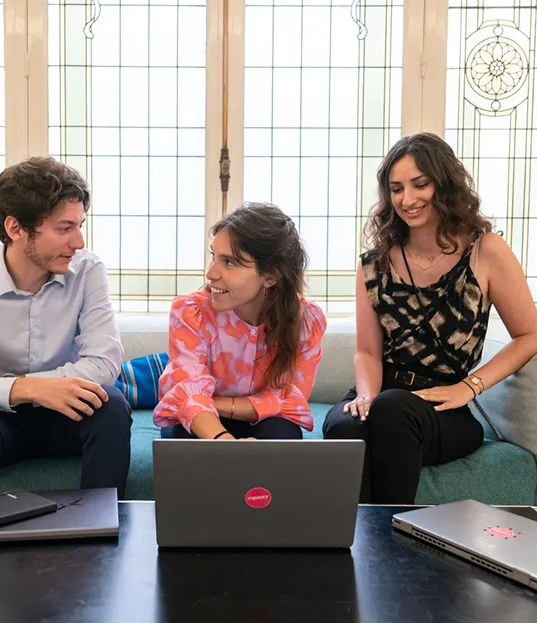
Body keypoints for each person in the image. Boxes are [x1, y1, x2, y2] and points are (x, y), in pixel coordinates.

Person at [323, 133, 537, 504]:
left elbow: (530, 334)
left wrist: (468, 387)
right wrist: (364, 395)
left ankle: (392, 544)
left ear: (445, 182)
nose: (408, 199)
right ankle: (351, 546)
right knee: (345, 424)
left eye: (420, 184)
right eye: (396, 188)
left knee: (392, 409)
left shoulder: (486, 250)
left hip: (445, 407)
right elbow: (368, 353)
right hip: (385, 389)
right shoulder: (375, 262)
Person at [0, 156, 132, 496]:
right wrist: (27, 390)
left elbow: (104, 364)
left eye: (80, 225)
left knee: (111, 407)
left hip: (64, 416)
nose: (78, 242)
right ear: (15, 228)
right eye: (65, 228)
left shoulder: (88, 271)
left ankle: (98, 538)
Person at [153, 203, 327, 440]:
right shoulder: (191, 313)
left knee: (283, 431)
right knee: (186, 435)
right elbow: (189, 396)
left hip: (260, 421)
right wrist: (224, 442)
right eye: (214, 257)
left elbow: (290, 399)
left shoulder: (306, 322)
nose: (211, 273)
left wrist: (220, 404)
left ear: (271, 276)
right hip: (202, 421)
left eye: (230, 262)